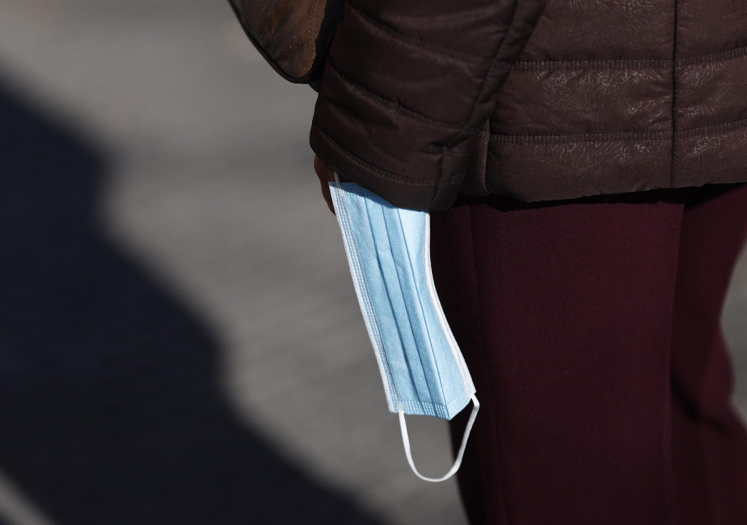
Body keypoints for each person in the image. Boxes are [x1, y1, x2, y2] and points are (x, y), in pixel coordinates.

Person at [307, 1, 747, 523]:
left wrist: (379, 121)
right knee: (680, 431)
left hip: (542, 117)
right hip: (720, 73)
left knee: (568, 479)